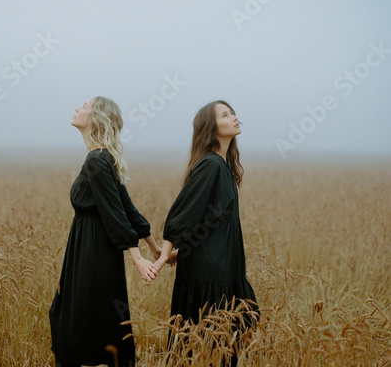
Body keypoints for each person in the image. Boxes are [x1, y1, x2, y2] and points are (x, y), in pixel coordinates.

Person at [49, 96, 161, 367]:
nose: (77, 108)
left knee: (79, 317)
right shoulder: (103, 158)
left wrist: (138, 258)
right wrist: (154, 247)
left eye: (84, 106)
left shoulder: (97, 160)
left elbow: (116, 213)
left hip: (92, 251)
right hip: (92, 248)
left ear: (96, 118)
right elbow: (128, 209)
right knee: (93, 315)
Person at [154, 100, 260, 364]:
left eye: (233, 112)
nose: (234, 117)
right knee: (208, 346)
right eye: (225, 115)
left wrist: (181, 250)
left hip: (225, 268)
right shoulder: (210, 165)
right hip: (210, 274)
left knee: (229, 344)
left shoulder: (222, 166)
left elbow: (207, 220)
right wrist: (162, 257)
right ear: (211, 128)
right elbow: (181, 215)